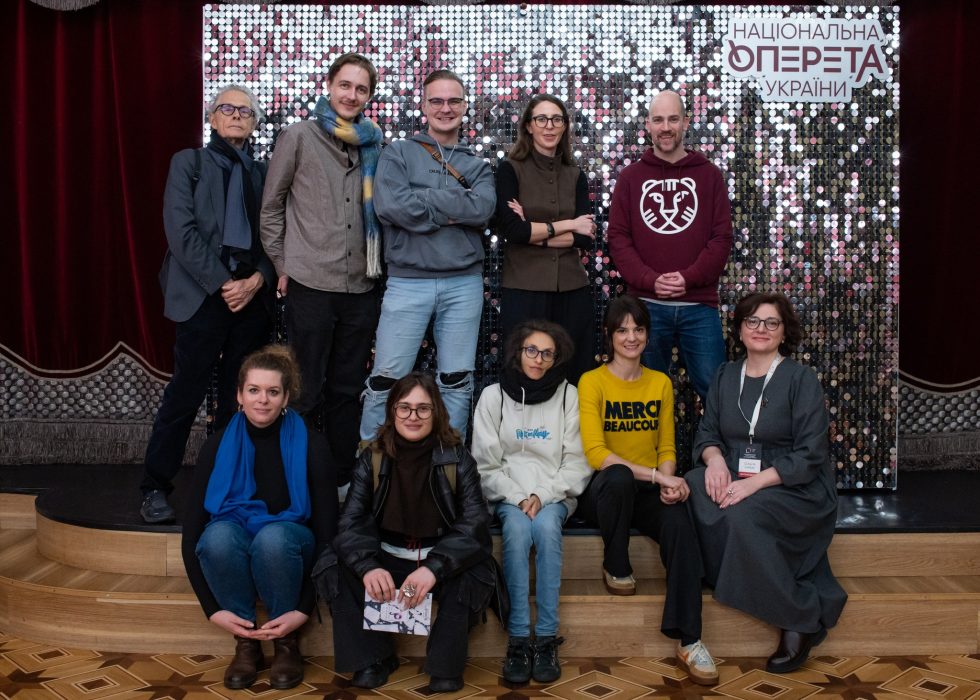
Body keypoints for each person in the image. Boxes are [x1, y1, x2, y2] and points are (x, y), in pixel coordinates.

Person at [685, 291, 847, 673]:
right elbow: (707, 433)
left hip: (793, 484)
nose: (762, 329)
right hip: (735, 471)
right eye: (753, 321)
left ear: (783, 331)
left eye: (772, 322)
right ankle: (733, 572)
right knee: (693, 487)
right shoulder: (725, 375)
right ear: (740, 330)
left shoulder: (800, 379)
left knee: (742, 514)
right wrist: (714, 462)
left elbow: (811, 454)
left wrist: (754, 484)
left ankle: (799, 618)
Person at [141, 85, 275, 524]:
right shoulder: (189, 163)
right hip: (203, 296)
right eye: (227, 108)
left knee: (241, 399)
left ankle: (226, 487)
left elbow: (275, 233)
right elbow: (180, 231)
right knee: (186, 392)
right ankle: (155, 486)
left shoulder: (263, 172)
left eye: (245, 111)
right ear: (212, 118)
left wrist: (258, 278)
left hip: (250, 298)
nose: (236, 115)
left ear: (254, 123)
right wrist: (223, 283)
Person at [576, 295, 718, 685]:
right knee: (619, 476)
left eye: (638, 329)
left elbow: (667, 446)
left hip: (648, 488)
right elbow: (597, 454)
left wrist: (669, 482)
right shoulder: (592, 381)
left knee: (679, 522)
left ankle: (690, 640)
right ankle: (616, 564)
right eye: (622, 330)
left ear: (647, 334)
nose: (631, 337)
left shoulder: (659, 382)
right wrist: (659, 478)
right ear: (609, 335)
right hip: (603, 492)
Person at [327, 373, 499, 693]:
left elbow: (475, 522)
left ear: (437, 412)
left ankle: (444, 665)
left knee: (472, 571)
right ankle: (374, 659)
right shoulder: (372, 457)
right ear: (392, 411)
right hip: (387, 557)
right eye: (404, 408)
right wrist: (368, 566)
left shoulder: (457, 457)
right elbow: (350, 522)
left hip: (439, 559)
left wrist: (433, 569)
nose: (413, 416)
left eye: (423, 408)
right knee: (336, 564)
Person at [181, 345, 337, 690]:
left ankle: (286, 642)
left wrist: (303, 610)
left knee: (273, 538)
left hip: (290, 546)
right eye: (253, 390)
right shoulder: (216, 446)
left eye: (272, 392)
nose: (262, 400)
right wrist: (212, 609)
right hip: (236, 542)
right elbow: (191, 536)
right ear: (239, 395)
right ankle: (246, 642)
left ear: (286, 398)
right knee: (217, 537)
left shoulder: (312, 445)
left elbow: (329, 536)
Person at [260, 52, 383, 489]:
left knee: (347, 390)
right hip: (310, 282)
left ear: (369, 96)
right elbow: (271, 207)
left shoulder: (375, 144)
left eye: (361, 89)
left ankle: (341, 482)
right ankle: (296, 481)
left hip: (362, 286)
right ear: (329, 86)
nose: (351, 95)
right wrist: (282, 264)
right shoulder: (299, 136)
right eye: (345, 85)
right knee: (305, 389)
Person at [360, 69, 496, 441]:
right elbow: (390, 207)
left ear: (465, 107)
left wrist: (422, 199)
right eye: (436, 100)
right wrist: (454, 208)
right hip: (407, 282)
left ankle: (448, 466)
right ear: (423, 106)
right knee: (386, 380)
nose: (445, 108)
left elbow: (482, 209)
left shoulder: (477, 165)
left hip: (463, 283)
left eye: (453, 101)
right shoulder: (398, 153)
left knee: (456, 381)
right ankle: (370, 466)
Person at [472, 320, 592, 684]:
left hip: (554, 493)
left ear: (557, 358)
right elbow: (485, 465)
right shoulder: (493, 396)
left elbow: (577, 461)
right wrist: (518, 497)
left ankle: (546, 638)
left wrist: (543, 495)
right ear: (518, 352)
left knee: (547, 528)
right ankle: (519, 639)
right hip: (509, 494)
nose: (538, 360)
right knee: (518, 531)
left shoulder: (569, 396)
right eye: (532, 351)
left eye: (547, 354)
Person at [606, 90, 732, 403]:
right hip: (645, 307)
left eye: (673, 119)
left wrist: (688, 278)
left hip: (699, 305)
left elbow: (721, 238)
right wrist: (650, 280)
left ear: (686, 122)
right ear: (648, 125)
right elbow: (618, 238)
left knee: (717, 395)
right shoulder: (631, 178)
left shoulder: (709, 175)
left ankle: (714, 441)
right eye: (658, 120)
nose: (666, 127)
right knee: (645, 397)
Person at [495, 95, 597, 383]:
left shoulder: (575, 174)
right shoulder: (510, 169)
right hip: (524, 289)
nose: (549, 126)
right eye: (541, 119)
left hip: (572, 289)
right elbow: (513, 232)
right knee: (524, 373)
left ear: (565, 126)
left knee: (575, 371)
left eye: (556, 119)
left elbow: (584, 239)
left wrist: (532, 230)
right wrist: (569, 224)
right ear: (528, 126)